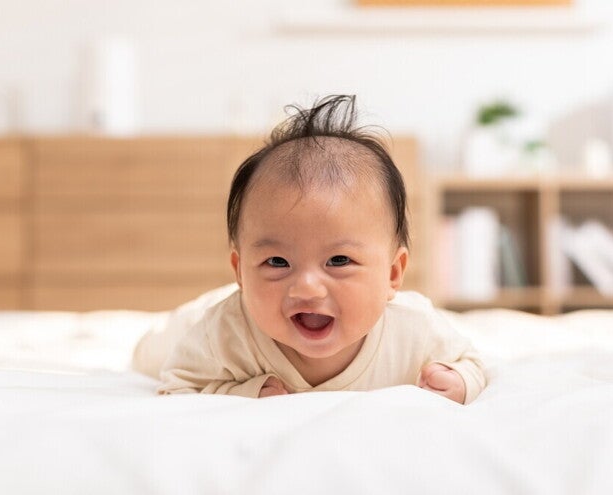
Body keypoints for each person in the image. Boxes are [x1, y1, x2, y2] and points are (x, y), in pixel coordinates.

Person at [157, 95, 486, 403]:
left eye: (339, 260)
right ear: (240, 271)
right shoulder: (225, 333)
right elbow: (176, 387)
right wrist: (242, 393)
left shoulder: (414, 329)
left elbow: (472, 363)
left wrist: (458, 382)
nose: (306, 287)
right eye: (277, 261)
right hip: (192, 320)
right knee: (154, 346)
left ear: (392, 273)